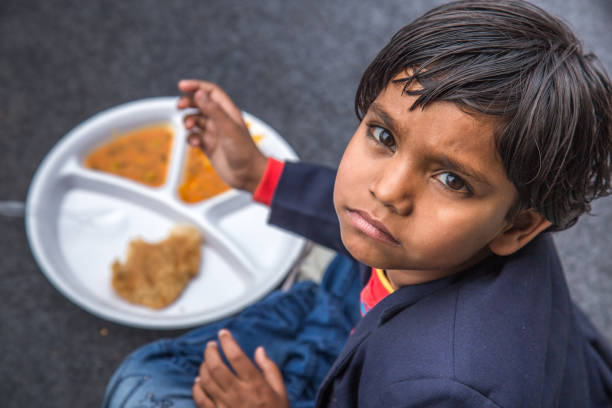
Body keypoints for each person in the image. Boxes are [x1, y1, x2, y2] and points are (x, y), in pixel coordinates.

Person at [103, 0, 612, 407]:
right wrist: (260, 175)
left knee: (142, 384)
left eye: (452, 180)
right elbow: (366, 214)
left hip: (397, 372)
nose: (388, 190)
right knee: (365, 239)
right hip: (386, 329)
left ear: (519, 228)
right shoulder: (448, 239)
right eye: (385, 135)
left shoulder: (445, 388)